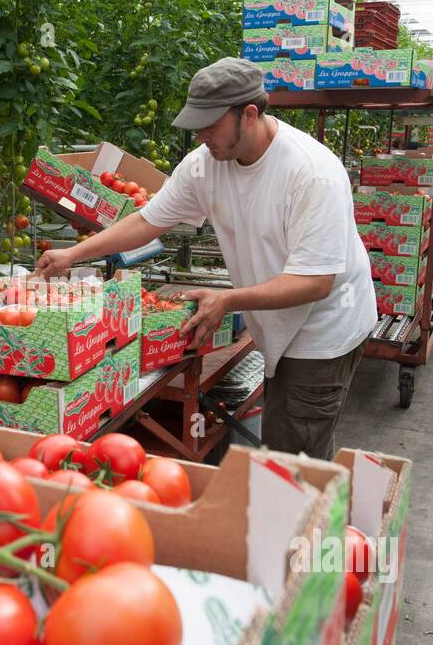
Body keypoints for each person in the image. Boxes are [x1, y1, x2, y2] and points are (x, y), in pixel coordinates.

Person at [35, 57, 378, 459]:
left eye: (210, 125)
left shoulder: (311, 173)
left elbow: (316, 282)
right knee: (286, 444)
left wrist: (229, 299)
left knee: (293, 459)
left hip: (322, 330)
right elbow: (149, 220)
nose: (201, 137)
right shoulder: (205, 164)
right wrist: (72, 254)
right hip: (278, 319)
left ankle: (309, 519)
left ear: (249, 114)